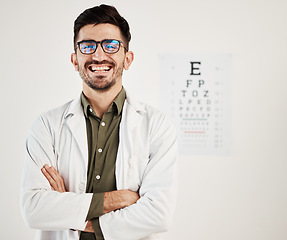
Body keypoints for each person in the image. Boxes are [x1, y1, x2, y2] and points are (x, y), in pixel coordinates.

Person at [21, 4, 177, 240]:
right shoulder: (47, 125)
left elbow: (159, 214)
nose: (98, 55)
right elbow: (33, 209)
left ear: (128, 58)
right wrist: (118, 199)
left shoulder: (156, 125)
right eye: (88, 46)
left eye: (111, 45)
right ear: (75, 59)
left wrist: (71, 212)